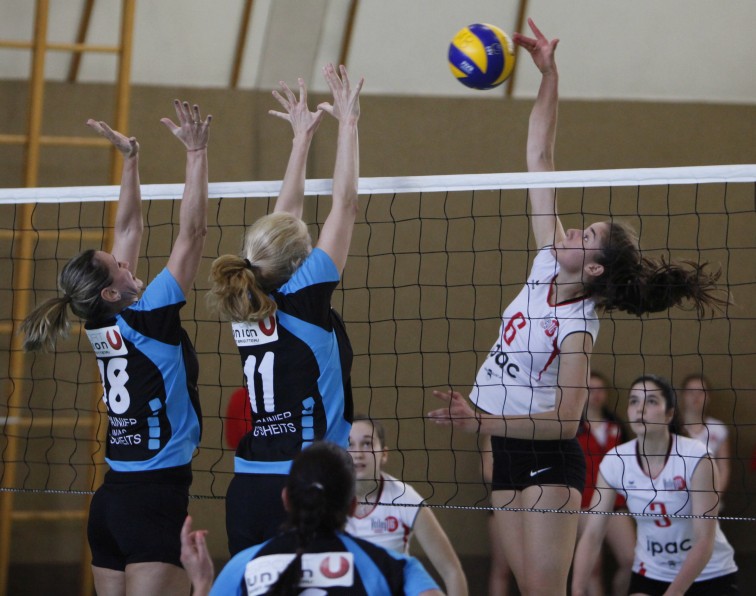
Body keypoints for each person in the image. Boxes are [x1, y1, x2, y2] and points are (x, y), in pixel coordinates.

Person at [427, 18, 728, 596]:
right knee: (525, 586)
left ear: (592, 269)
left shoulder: (577, 327)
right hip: (504, 450)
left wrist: (481, 421)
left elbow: (568, 421)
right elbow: (540, 155)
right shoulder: (547, 261)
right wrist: (549, 76)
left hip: (548, 457)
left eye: (585, 235)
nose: (571, 231)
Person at [21, 101, 211, 595]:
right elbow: (192, 235)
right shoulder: (151, 315)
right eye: (119, 267)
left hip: (110, 504)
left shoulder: (99, 321)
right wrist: (195, 153)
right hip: (155, 500)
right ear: (110, 291)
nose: (128, 265)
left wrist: (131, 161)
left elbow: (127, 229)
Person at [207, 64, 361, 555]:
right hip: (303, 483)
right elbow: (345, 204)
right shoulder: (305, 298)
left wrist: (300, 140)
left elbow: (284, 218)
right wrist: (348, 123)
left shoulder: (246, 298)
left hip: (248, 486)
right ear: (301, 264)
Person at [180, 441, 443, 596]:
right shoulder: (394, 567)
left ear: (285, 499)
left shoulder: (243, 567)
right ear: (352, 506)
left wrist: (201, 584)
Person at [572, 375, 739, 595]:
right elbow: (592, 534)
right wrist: (576, 590)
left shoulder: (696, 456)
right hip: (652, 573)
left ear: (669, 414)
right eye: (633, 401)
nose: (640, 409)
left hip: (708, 573)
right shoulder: (616, 461)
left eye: (651, 401)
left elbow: (704, 540)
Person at [346, 415, 468, 596]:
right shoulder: (325, 500)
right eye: (349, 444)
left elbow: (451, 570)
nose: (358, 454)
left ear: (384, 454)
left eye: (367, 444)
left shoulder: (404, 498)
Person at [574, 372, 634, 596]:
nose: (596, 394)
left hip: (615, 502)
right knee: (593, 567)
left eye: (600, 389)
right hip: (584, 503)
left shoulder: (617, 427)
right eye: (590, 390)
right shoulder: (572, 429)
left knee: (631, 560)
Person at [680, 374, 731, 495]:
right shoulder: (670, 427)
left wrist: (715, 497)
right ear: (683, 395)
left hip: (708, 493)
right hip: (676, 495)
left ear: (708, 396)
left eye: (701, 392)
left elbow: (723, 468)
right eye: (691, 392)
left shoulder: (718, 429)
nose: (696, 396)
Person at [480, 434, 514, 596]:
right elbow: (486, 469)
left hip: (535, 508)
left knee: (534, 573)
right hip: (503, 506)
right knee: (501, 568)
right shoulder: (495, 430)